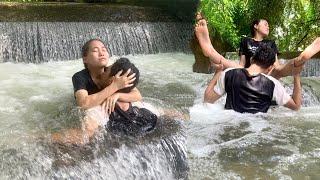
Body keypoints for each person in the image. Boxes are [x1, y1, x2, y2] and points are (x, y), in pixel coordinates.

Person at [51, 57, 158, 145]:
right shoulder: (140, 105)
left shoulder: (100, 108)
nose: (102, 72)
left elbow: (83, 136)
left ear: (112, 81)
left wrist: (42, 137)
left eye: (106, 70)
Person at [195, 17, 320, 79]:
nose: (268, 27)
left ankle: (302, 57)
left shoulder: (271, 43)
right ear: (256, 26)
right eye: (265, 24)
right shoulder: (245, 41)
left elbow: (275, 65)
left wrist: (277, 70)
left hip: (269, 73)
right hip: (248, 71)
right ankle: (209, 49)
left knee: (279, 69)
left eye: (268, 26)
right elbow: (242, 64)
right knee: (237, 67)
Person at [204, 44, 302, 113]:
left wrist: (218, 72)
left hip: (230, 123)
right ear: (270, 68)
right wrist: (296, 75)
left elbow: (208, 100)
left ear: (251, 59)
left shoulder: (228, 74)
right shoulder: (273, 84)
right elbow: (296, 106)